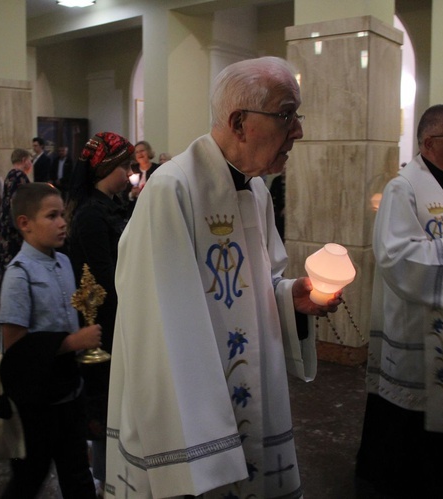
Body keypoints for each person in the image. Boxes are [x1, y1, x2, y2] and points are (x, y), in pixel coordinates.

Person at [105, 56, 338, 498]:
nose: (298, 131)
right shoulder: (172, 189)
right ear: (239, 122)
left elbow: (257, 288)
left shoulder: (255, 189)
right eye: (287, 115)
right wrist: (202, 451)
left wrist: (293, 299)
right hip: (190, 420)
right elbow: (159, 325)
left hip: (248, 398)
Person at [356, 104, 443, 499]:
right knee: (415, 440)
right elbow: (394, 257)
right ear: (430, 142)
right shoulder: (405, 189)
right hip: (423, 332)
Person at [0, 182, 101, 498]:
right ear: (25, 224)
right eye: (52, 216)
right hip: (37, 404)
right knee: (29, 478)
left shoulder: (64, 262)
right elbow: (14, 348)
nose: (62, 222)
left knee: (78, 476)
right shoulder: (19, 274)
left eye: (62, 215)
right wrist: (70, 343)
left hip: (69, 393)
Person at [66, 131, 133, 491]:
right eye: (125, 165)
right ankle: (107, 480)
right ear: (109, 168)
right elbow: (107, 277)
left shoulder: (110, 205)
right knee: (105, 407)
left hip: (115, 316)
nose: (130, 172)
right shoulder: (92, 214)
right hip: (103, 323)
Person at [0, 148, 32, 280]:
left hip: (4, 225)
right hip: (13, 229)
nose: (31, 164)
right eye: (30, 160)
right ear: (24, 160)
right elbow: (21, 203)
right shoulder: (20, 176)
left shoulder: (10, 175)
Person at [124, 140, 159, 212]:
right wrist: (131, 194)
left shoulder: (157, 169)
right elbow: (124, 194)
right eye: (137, 152)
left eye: (142, 150)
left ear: (148, 152)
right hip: (135, 209)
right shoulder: (132, 169)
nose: (140, 154)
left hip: (153, 208)